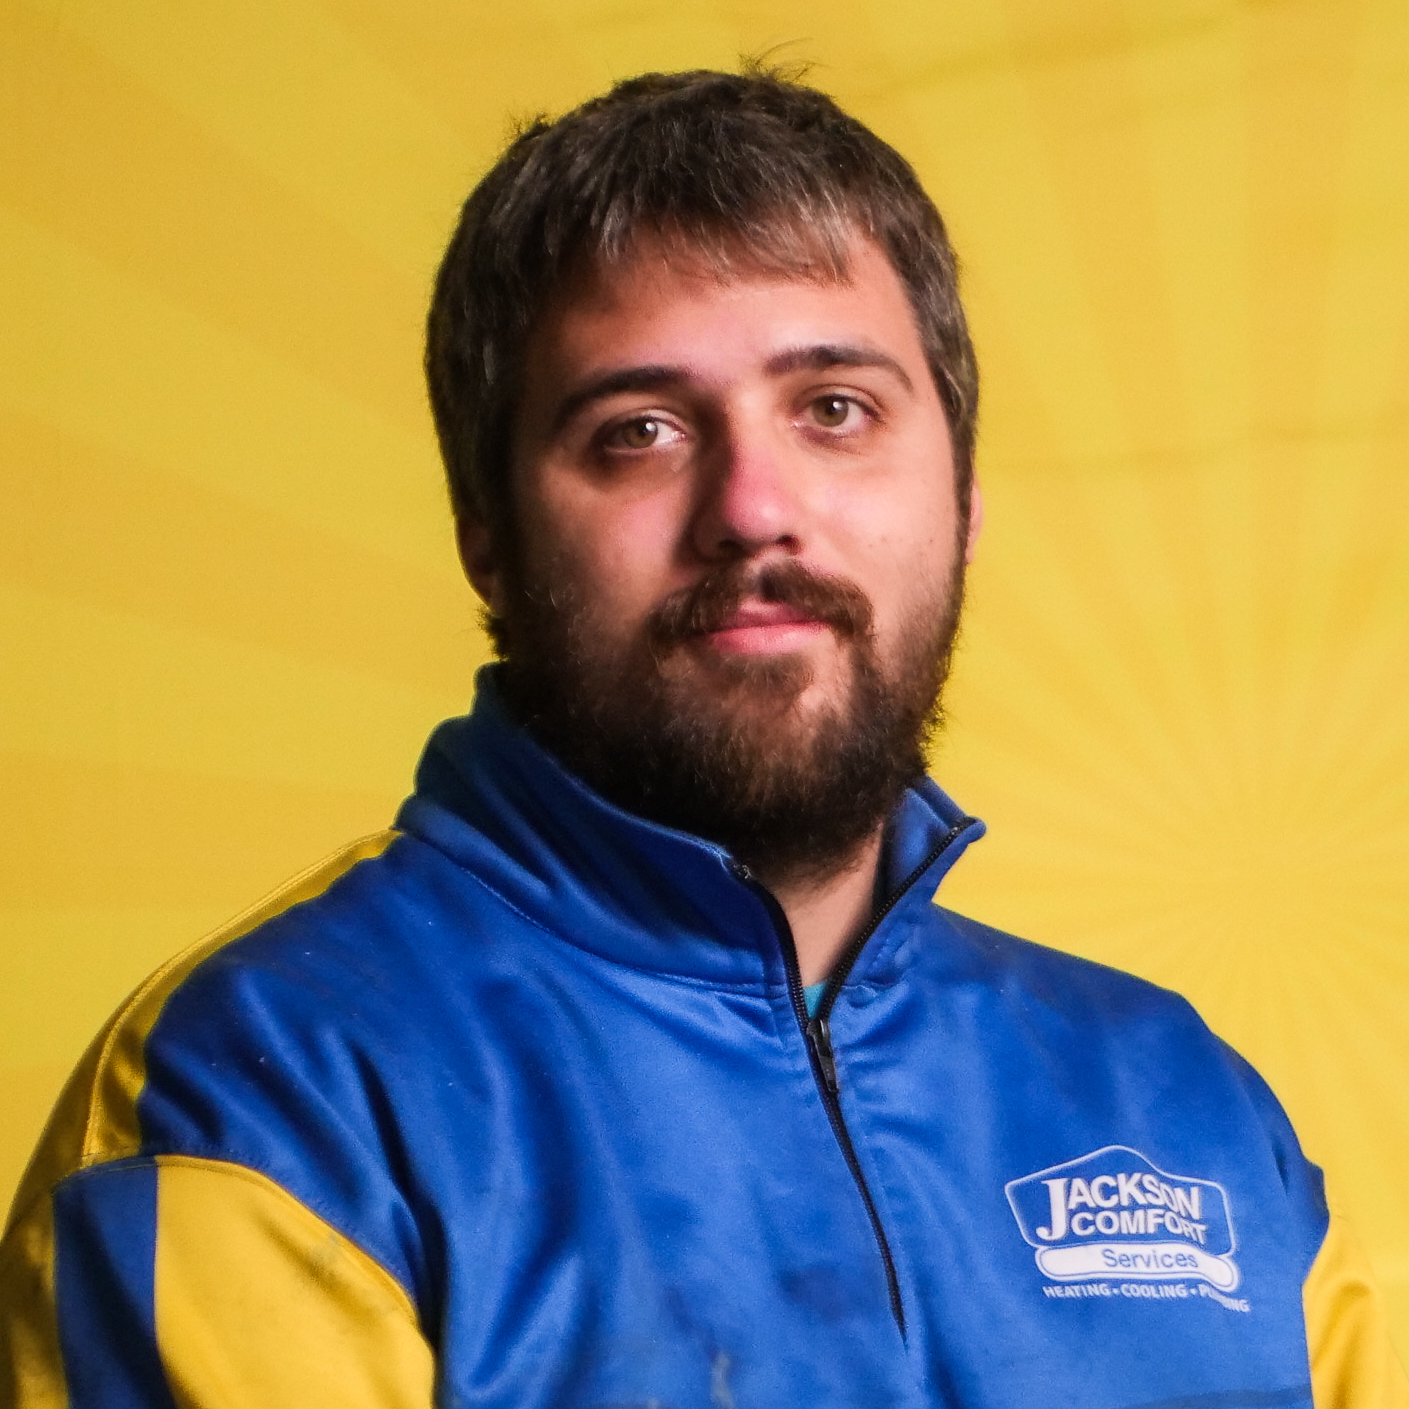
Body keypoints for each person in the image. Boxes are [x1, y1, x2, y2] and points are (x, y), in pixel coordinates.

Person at [2, 66, 1405, 1409]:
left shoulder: (1190, 1105)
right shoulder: (264, 1095)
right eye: (640, 431)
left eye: (835, 410)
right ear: (484, 533)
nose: (752, 508)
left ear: (962, 495)